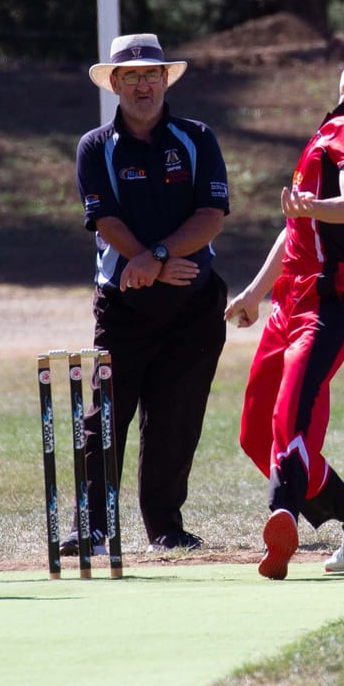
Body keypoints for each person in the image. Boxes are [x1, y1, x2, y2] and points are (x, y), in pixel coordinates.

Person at [224, 40, 344, 580]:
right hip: (291, 299)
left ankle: (281, 512)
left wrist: (315, 206)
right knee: (257, 433)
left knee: (291, 419)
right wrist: (256, 294)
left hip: (333, 298)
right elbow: (294, 229)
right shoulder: (328, 130)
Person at [71, 34, 231, 552]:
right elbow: (105, 219)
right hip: (123, 305)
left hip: (193, 305)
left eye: (152, 74)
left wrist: (156, 259)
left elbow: (211, 217)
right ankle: (93, 527)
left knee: (176, 420)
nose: (143, 84)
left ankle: (166, 527)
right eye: (132, 76)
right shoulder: (96, 146)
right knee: (105, 417)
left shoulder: (197, 137)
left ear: (166, 79)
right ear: (115, 83)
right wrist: (146, 264)